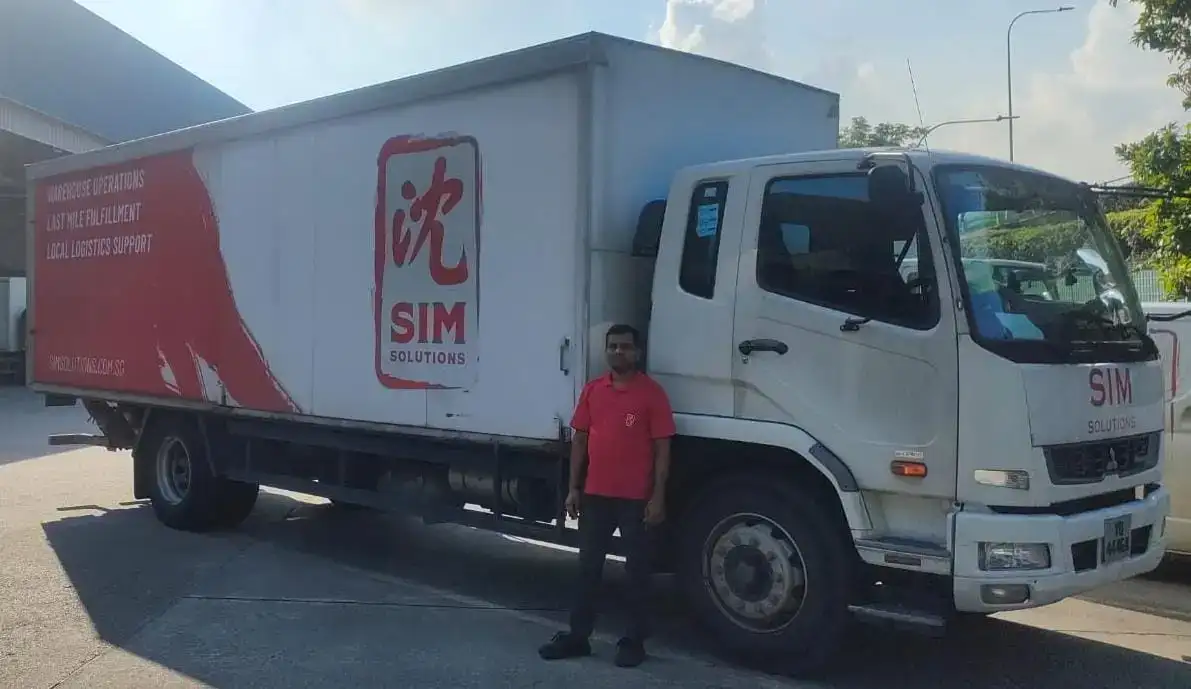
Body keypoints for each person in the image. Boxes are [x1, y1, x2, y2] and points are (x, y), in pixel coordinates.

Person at [537, 323, 675, 668]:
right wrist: (573, 489)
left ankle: (633, 641)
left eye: (625, 347)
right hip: (596, 495)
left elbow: (662, 450)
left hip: (636, 499)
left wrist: (658, 497)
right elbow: (580, 441)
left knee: (637, 573)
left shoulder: (652, 394)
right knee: (588, 570)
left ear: (637, 352)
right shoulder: (593, 390)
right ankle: (578, 637)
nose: (618, 352)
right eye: (612, 347)